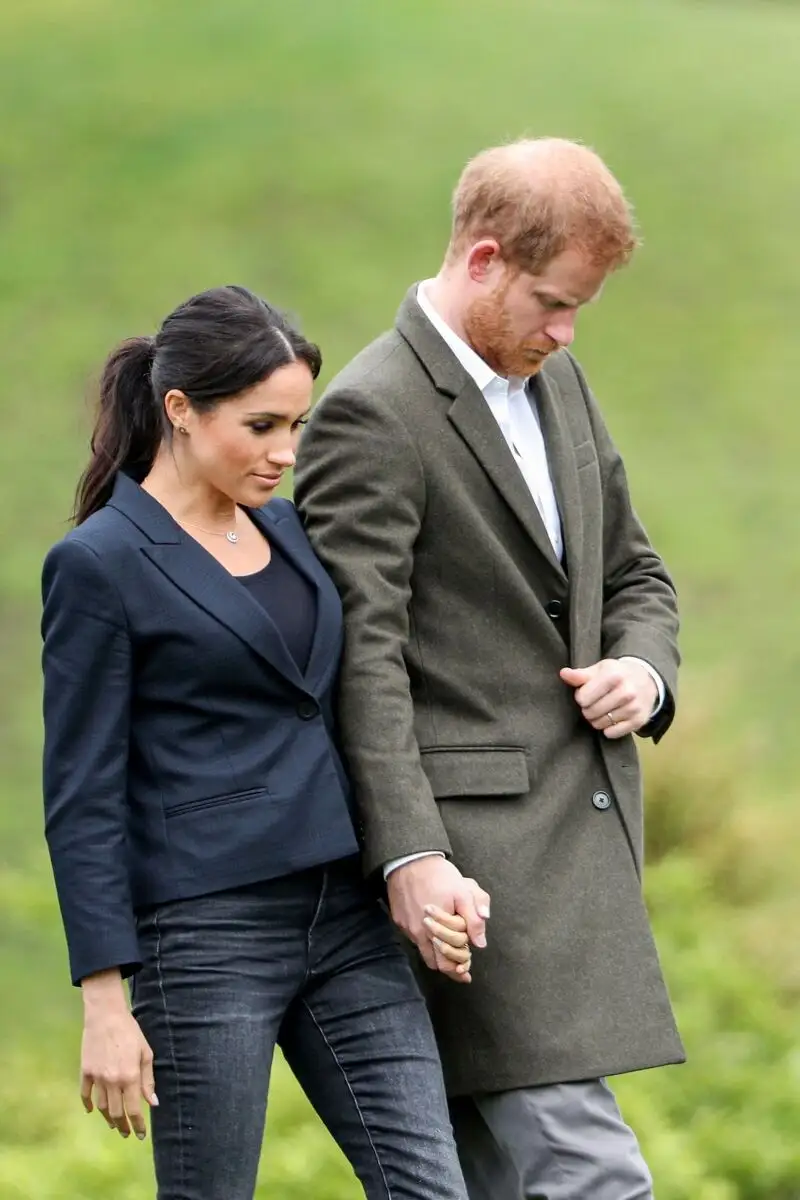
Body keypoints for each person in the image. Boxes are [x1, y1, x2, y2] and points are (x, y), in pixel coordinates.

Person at [294, 139, 684, 1200]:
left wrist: (640, 675)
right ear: (481, 259)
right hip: (471, 877)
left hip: (580, 854)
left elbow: (635, 572)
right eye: (553, 302)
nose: (564, 333)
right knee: (592, 1176)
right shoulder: (373, 413)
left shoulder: (557, 379)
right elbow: (355, 661)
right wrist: (410, 855)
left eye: (579, 314)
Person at [41, 285, 473, 1200]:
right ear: (181, 411)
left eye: (298, 426)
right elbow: (82, 796)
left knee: (432, 1187)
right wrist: (104, 1001)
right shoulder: (99, 565)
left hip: (345, 916)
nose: (286, 453)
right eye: (263, 425)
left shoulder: (285, 527)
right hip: (205, 934)